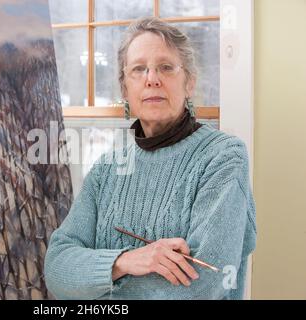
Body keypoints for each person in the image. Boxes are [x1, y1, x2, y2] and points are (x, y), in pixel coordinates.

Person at [44, 17, 256, 300]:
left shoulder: (223, 158)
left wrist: (93, 285)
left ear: (189, 82)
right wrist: (126, 261)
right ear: (124, 90)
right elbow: (57, 268)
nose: (152, 78)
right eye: (138, 69)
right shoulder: (106, 169)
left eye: (166, 68)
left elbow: (204, 286)